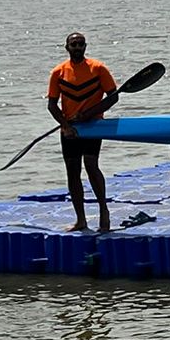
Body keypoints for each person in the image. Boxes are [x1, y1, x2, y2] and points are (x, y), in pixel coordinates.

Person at [46, 31, 119, 232]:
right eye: (73, 44)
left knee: (91, 164)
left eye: (80, 44)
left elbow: (113, 97)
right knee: (72, 171)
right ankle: (81, 220)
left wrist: (90, 114)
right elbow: (52, 105)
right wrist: (66, 126)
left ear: (85, 47)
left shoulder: (98, 68)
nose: (77, 47)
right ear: (67, 47)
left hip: (93, 126)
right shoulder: (58, 72)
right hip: (70, 129)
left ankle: (104, 212)